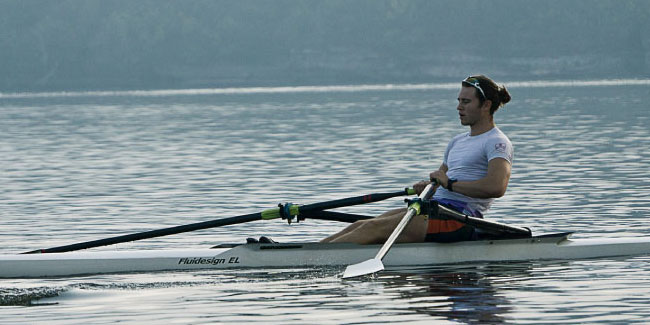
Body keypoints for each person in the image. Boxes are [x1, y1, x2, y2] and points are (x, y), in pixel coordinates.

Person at [321, 75, 513, 244]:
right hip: (432, 208)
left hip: (458, 218)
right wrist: (429, 187)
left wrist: (450, 185)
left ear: (486, 105)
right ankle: (307, 256)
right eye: (459, 101)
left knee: (371, 230)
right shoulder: (457, 141)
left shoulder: (497, 142)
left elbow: (496, 187)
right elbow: (440, 181)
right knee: (363, 224)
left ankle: (312, 262)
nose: (458, 107)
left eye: (466, 102)